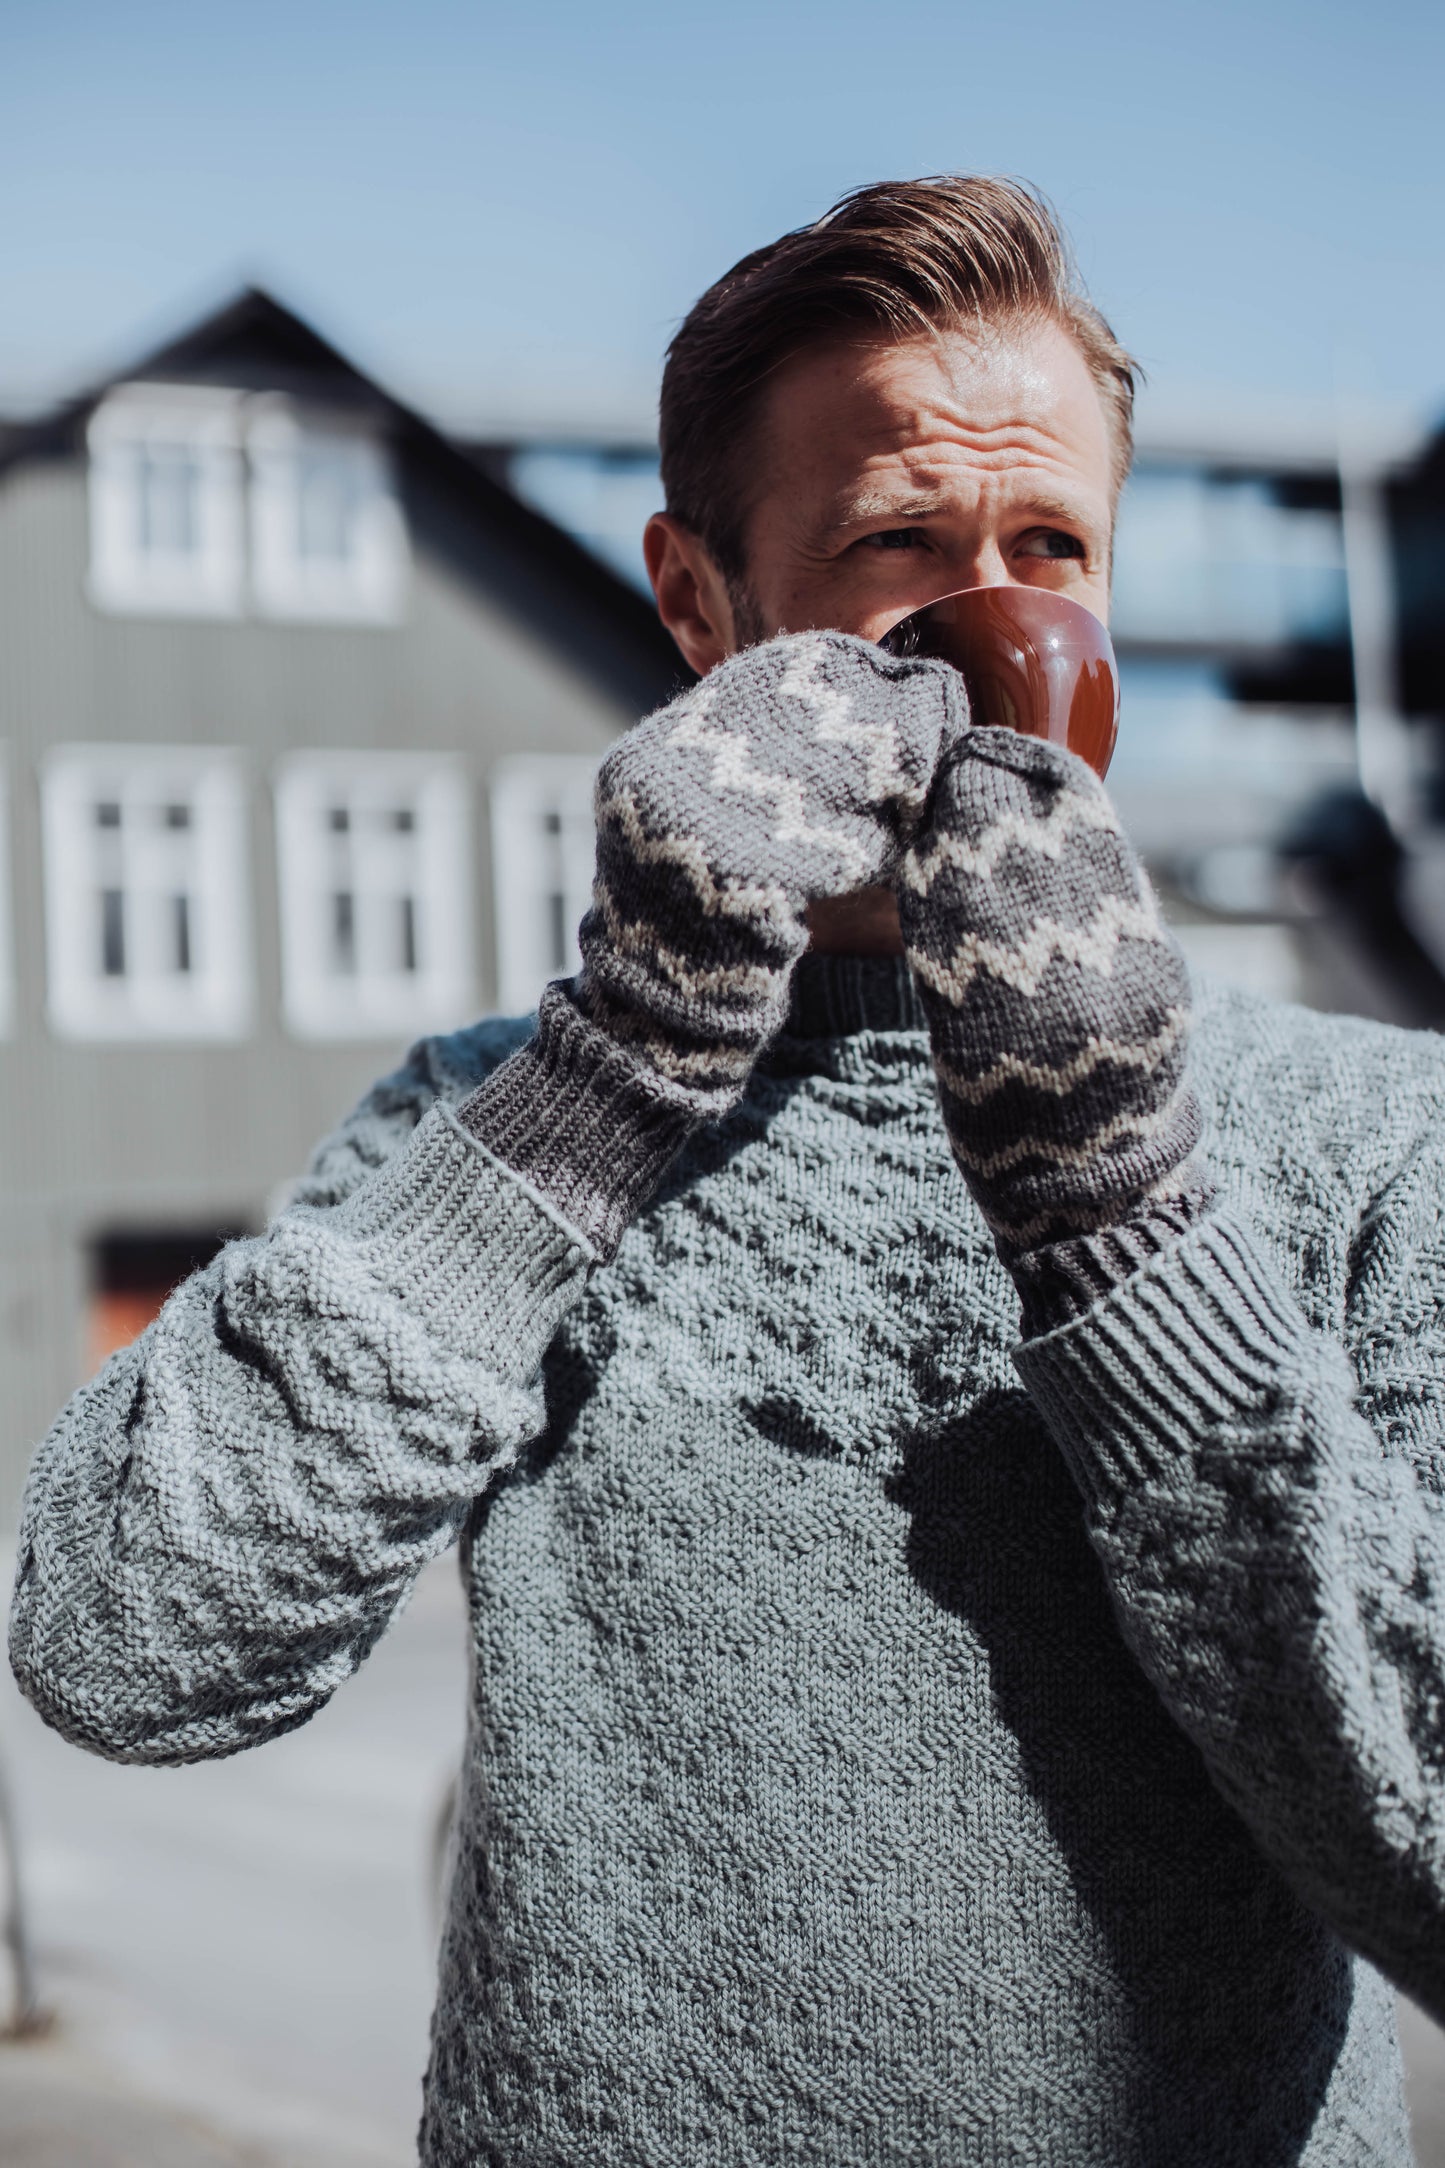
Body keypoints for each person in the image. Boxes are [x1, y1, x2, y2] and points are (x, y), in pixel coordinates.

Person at [9, 176, 1445, 2167]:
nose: (999, 621)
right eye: (899, 547)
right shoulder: (491, 1122)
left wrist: (1125, 1220)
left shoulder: (1372, 1132)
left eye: (1052, 549)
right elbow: (119, 1643)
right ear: (705, 608)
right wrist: (606, 1085)